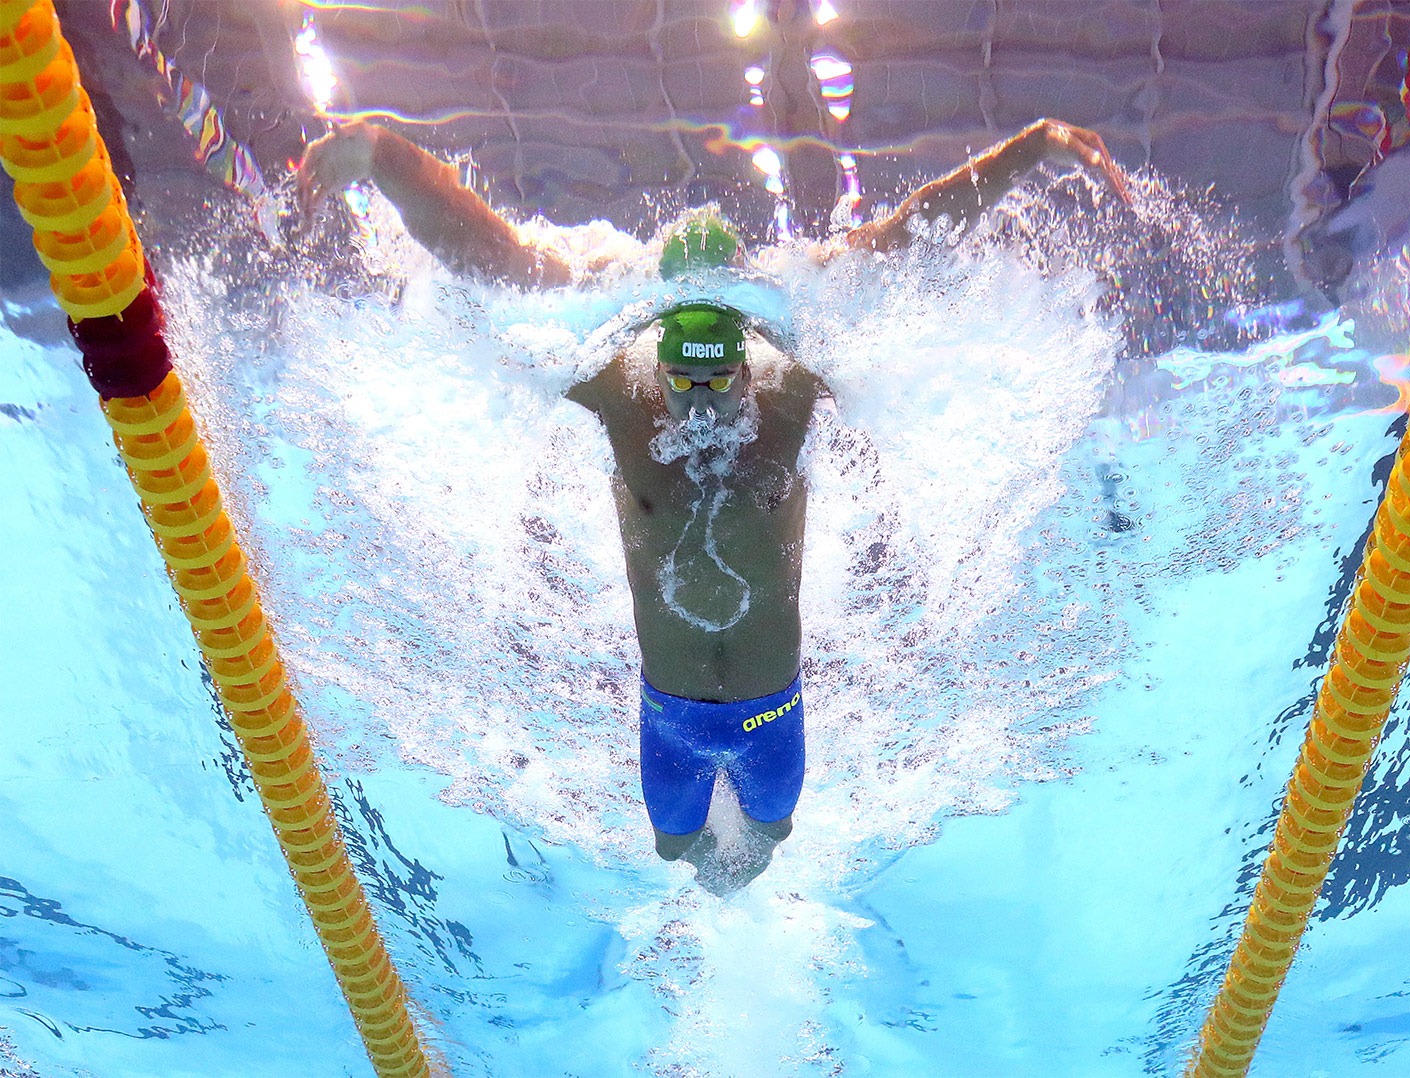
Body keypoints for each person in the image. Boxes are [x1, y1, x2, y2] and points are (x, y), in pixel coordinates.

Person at [298, 116, 1129, 893]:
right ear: (656, 353)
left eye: (716, 381)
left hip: (776, 708)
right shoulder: (615, 389)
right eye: (681, 379)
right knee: (674, 852)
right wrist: (386, 158)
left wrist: (1031, 149)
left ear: (744, 358)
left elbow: (911, 242)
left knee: (769, 842)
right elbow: (493, 259)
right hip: (668, 715)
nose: (698, 405)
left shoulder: (794, 384)